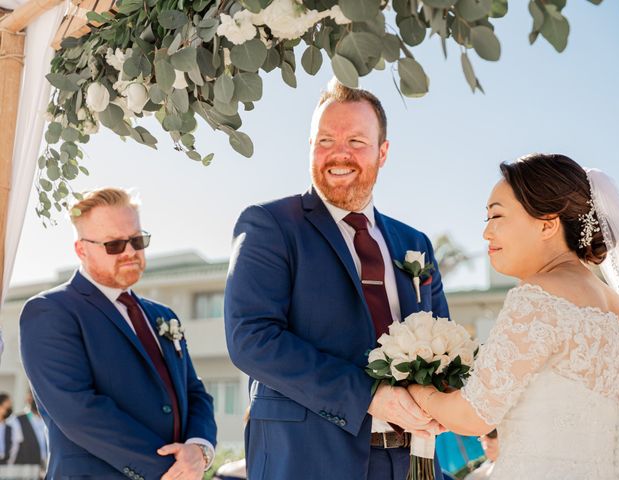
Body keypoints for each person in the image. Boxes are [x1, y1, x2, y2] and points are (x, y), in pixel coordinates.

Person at [224, 80, 448, 480]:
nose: (339, 153)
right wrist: (369, 396)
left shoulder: (415, 244)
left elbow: (442, 342)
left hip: (410, 462)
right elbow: (251, 339)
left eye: (357, 141)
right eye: (325, 139)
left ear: (383, 153)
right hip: (305, 462)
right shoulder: (270, 225)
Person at [408, 154, 619, 479]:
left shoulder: (538, 297)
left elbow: (474, 415)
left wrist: (415, 391)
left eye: (497, 216)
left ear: (547, 224)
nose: (487, 233)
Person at [20, 188, 217, 480]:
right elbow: (79, 412)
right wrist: (172, 471)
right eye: (114, 244)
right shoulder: (50, 312)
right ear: (81, 250)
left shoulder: (163, 315)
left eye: (137, 240)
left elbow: (194, 393)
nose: (130, 252)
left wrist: (199, 450)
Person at [12, 390, 47, 477]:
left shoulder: (48, 420)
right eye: (33, 397)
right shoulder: (16, 420)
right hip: (25, 472)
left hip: (46, 469)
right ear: (28, 399)